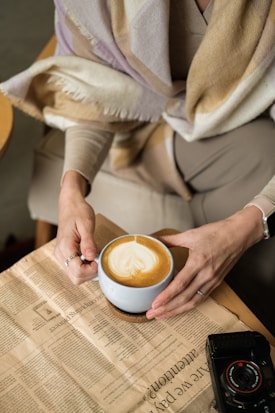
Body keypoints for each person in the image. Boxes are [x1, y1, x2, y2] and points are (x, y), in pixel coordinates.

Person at [1, 0, 275, 332]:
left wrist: (246, 228)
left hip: (247, 115)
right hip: (140, 125)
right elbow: (95, 94)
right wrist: (71, 189)